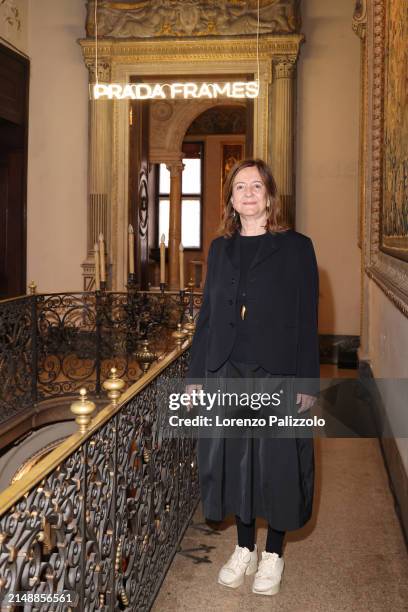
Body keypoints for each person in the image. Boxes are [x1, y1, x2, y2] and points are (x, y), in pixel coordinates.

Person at [186, 158, 320, 597]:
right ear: (230, 198)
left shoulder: (298, 247)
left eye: (256, 185)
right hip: (227, 371)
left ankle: (273, 554)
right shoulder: (219, 248)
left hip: (276, 373)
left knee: (276, 466)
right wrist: (195, 377)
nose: (247, 193)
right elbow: (207, 315)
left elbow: (306, 321)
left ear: (269, 196)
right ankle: (244, 547)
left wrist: (306, 384)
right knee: (236, 464)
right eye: (239, 186)